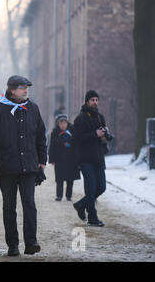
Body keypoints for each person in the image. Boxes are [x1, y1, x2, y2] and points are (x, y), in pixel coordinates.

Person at [0, 75, 47, 257]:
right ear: (12, 90)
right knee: (9, 206)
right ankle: (13, 245)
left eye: (27, 87)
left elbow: (41, 136)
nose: (26, 90)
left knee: (29, 204)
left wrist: (42, 160)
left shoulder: (33, 109)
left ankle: (31, 242)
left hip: (29, 166)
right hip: (6, 166)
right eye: (22, 87)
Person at [73, 90, 110, 227]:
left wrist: (105, 136)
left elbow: (102, 136)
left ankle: (80, 205)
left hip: (99, 157)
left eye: (96, 100)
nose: (95, 102)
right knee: (91, 188)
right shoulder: (80, 118)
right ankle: (92, 218)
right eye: (92, 100)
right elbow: (77, 138)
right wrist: (95, 134)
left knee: (101, 187)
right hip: (85, 159)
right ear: (87, 101)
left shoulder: (100, 117)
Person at [49, 114, 80, 201]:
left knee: (70, 179)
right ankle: (59, 195)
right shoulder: (55, 133)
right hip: (59, 159)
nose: (63, 125)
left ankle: (68, 196)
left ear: (67, 123)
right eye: (61, 123)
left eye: (64, 123)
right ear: (58, 124)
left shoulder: (72, 131)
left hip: (71, 159)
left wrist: (78, 158)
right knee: (59, 179)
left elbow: (77, 145)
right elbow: (52, 147)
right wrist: (52, 159)